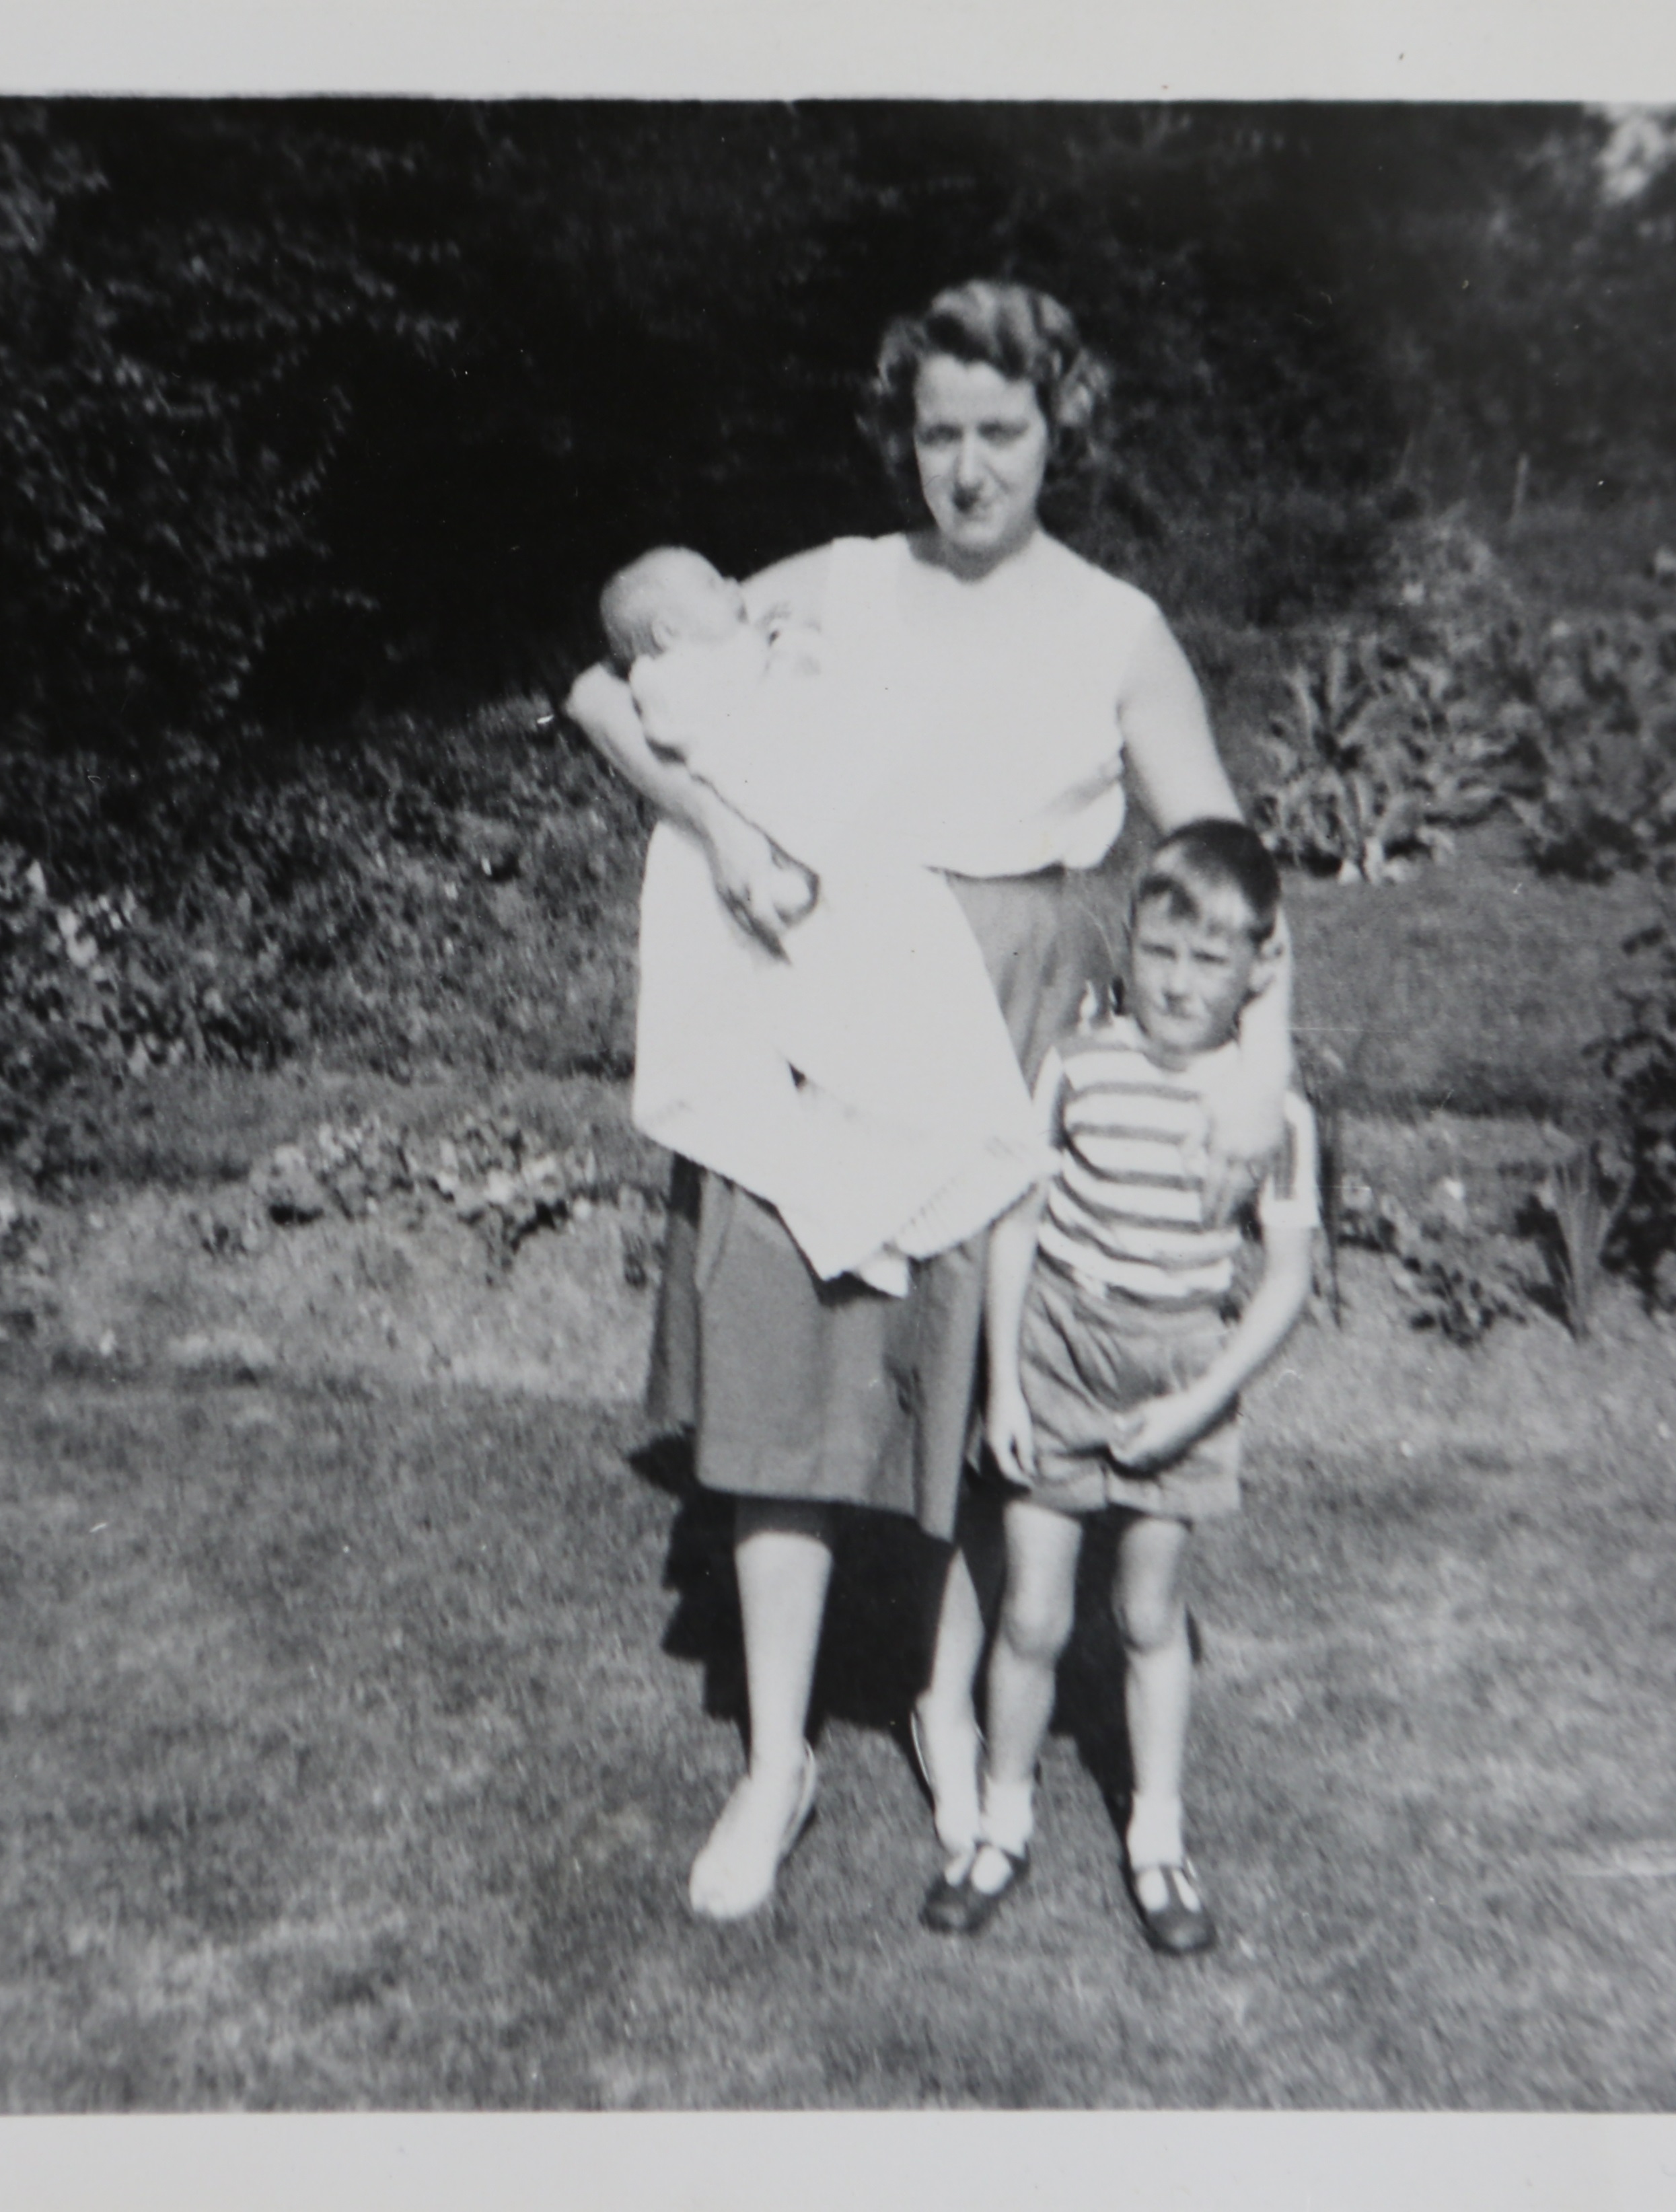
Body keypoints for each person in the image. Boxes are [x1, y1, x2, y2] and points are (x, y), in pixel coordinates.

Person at [561, 279, 1295, 1922]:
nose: (966, 469)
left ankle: (950, 1709)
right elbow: (615, 689)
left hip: (1013, 1004)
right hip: (823, 990)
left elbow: (1229, 864)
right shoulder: (839, 580)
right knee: (789, 1365)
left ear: (1061, 433)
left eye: (1002, 433)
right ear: (908, 436)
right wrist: (724, 826)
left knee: (981, 1403)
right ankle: (776, 1761)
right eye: (939, 433)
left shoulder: (1115, 626)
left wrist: (1254, 1060)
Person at [925, 819, 1317, 1952]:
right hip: (1058, 1352)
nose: (1179, 980)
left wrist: (1201, 1405)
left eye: (1209, 960)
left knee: (1148, 1614)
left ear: (1254, 971)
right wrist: (1006, 1384)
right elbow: (1021, 1226)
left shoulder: (1269, 1115)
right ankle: (1000, 1825)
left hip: (1180, 1370)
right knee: (1036, 1613)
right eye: (1159, 951)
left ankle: (1157, 1838)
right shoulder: (1081, 1066)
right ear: (1130, 946)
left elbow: (1285, 1282)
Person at [599, 544, 1048, 1294]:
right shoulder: (674, 673)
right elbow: (710, 721)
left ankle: (865, 1202)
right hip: (756, 814)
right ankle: (854, 1206)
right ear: (671, 631)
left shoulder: (721, 645)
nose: (736, 582)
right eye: (715, 583)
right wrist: (779, 650)